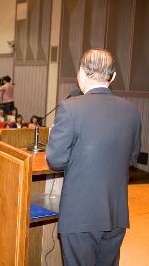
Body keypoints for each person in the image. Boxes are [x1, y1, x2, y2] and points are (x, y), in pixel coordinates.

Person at [46, 49, 141, 266]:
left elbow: (56, 161)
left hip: (81, 215)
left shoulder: (70, 109)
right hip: (116, 215)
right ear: (113, 77)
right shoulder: (132, 111)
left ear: (80, 73)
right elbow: (131, 157)